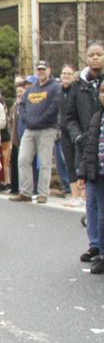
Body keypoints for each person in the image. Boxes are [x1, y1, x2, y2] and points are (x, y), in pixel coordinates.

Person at [66, 42, 104, 263]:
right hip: (87, 147)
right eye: (92, 55)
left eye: (100, 54)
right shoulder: (79, 85)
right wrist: (78, 137)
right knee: (91, 201)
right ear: (86, 58)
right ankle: (94, 244)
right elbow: (69, 116)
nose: (96, 58)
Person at [12, 61, 60, 203]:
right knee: (23, 159)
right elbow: (22, 106)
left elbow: (54, 107)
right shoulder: (31, 89)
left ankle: (42, 193)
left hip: (47, 129)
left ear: (49, 70)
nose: (41, 72)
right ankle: (25, 192)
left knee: (44, 163)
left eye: (43, 69)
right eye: (38, 70)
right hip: (30, 129)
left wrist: (40, 120)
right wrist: (27, 120)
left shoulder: (55, 88)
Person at [74, 83, 104, 274]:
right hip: (97, 173)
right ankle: (98, 248)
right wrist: (83, 172)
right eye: (102, 92)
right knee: (94, 210)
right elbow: (90, 147)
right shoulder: (97, 117)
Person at [54, 64, 78, 199]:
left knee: (78, 164)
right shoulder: (59, 92)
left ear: (73, 76)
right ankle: (74, 196)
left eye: (69, 73)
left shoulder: (77, 91)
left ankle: (82, 195)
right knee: (68, 163)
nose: (66, 76)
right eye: (64, 73)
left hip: (76, 131)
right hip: (63, 132)